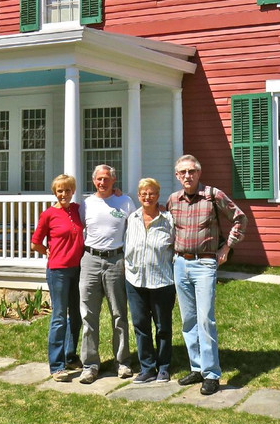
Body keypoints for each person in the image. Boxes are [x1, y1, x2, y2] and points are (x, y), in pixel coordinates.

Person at [166, 154, 247, 395]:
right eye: (183, 172)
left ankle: (211, 374)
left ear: (199, 173)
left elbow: (240, 218)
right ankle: (197, 367)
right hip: (180, 263)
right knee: (188, 319)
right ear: (177, 176)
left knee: (205, 320)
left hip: (204, 265)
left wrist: (227, 247)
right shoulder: (173, 200)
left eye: (191, 171)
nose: (187, 176)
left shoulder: (213, 195)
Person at [77, 164, 135, 384]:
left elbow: (136, 225)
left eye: (106, 179)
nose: (103, 183)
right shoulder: (86, 204)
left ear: (114, 180)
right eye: (99, 179)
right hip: (90, 260)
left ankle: (122, 362)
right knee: (88, 315)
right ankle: (90, 365)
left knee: (119, 313)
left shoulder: (125, 201)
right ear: (94, 181)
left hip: (116, 260)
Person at [30, 174, 84, 381]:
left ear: (73, 191)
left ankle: (70, 355)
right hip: (58, 271)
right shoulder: (48, 215)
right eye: (60, 191)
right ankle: (57, 365)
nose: (64, 194)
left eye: (67, 190)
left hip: (77, 269)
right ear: (55, 192)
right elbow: (35, 243)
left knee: (76, 316)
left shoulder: (77, 210)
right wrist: (47, 251)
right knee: (59, 317)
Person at [123, 178, 176, 383]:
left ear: (158, 195)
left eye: (152, 193)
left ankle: (164, 367)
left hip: (162, 281)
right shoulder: (132, 218)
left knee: (163, 326)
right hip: (135, 280)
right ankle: (147, 367)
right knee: (140, 324)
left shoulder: (168, 220)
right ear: (138, 196)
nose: (148, 197)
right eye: (144, 193)